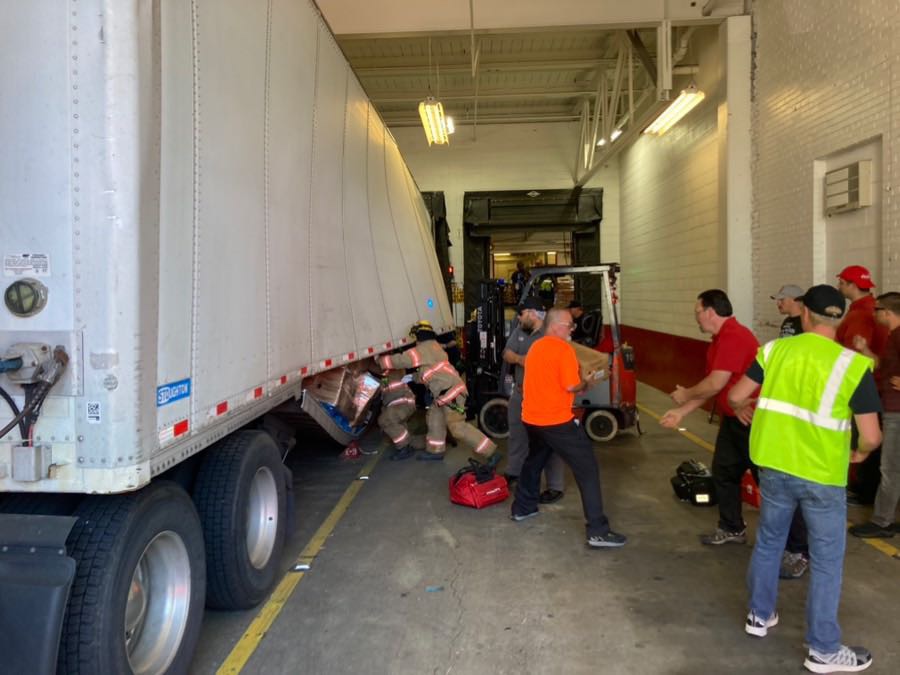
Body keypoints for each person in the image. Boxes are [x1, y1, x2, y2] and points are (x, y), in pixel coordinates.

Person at [728, 284, 881, 674]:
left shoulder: (775, 351)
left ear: (804, 315)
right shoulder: (852, 364)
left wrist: (745, 406)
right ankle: (823, 650)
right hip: (821, 475)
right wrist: (860, 452)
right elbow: (872, 435)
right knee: (827, 560)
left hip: (774, 466)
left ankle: (759, 617)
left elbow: (735, 396)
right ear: (839, 318)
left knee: (769, 541)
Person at [510, 308, 626, 548]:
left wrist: (578, 386)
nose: (572, 329)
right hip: (556, 422)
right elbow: (573, 385)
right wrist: (588, 381)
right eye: (570, 325)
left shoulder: (536, 348)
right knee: (588, 469)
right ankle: (598, 530)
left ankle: (523, 507)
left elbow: (553, 383)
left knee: (534, 460)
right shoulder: (563, 349)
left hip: (532, 419)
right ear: (556, 326)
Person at [660, 290, 759, 545]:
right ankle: (732, 528)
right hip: (732, 418)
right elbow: (712, 388)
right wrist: (681, 412)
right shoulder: (718, 340)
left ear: (710, 312)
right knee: (724, 473)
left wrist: (685, 395)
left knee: (769, 484)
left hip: (753, 422)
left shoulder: (734, 337)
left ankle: (796, 547)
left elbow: (715, 383)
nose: (696, 318)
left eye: (697, 312)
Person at [377, 323, 497, 461]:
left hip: (451, 393)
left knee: (457, 427)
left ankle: (491, 452)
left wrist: (379, 361)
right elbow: (431, 372)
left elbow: (399, 360)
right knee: (434, 417)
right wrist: (413, 378)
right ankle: (436, 451)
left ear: (418, 338)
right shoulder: (434, 347)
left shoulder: (423, 349)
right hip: (445, 393)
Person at [502, 296, 566, 503]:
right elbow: (506, 353)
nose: (519, 318)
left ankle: (555, 486)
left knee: (550, 441)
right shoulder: (520, 332)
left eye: (521, 314)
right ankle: (515, 472)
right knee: (517, 434)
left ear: (532, 313)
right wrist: (522, 359)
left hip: (544, 398)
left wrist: (527, 360)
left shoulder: (551, 336)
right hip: (520, 394)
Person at [849, 291, 900, 538]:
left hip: (897, 412)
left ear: (888, 313)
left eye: (877, 309)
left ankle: (882, 521)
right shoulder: (893, 336)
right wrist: (865, 349)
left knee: (890, 468)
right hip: (891, 408)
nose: (874, 313)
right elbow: (882, 365)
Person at [835, 265, 888, 504]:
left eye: (842, 283)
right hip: (879, 386)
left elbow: (853, 355)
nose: (839, 287)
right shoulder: (872, 309)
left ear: (851, 286)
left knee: (864, 440)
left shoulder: (859, 315)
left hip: (865, 386)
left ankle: (863, 490)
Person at [771, 284, 811, 578]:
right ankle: (791, 546)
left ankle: (802, 552)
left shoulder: (807, 330)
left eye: (781, 299)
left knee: (806, 498)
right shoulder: (787, 326)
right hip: (787, 423)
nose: (778, 304)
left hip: (808, 432)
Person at [377, 368, 423, 461]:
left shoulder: (393, 371)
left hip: (402, 403)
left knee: (385, 420)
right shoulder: (385, 377)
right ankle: (409, 443)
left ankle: (404, 448)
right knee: (394, 421)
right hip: (400, 404)